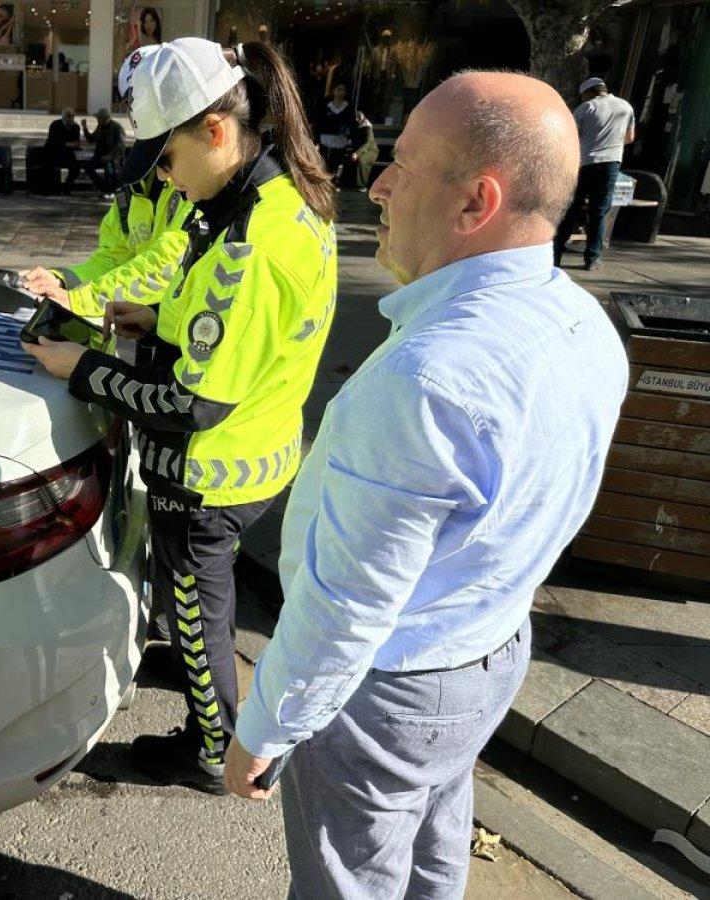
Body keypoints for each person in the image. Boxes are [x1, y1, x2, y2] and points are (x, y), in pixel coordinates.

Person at [224, 71, 628, 899]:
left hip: (391, 688)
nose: (375, 183)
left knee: (351, 881)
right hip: (489, 648)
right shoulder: (587, 325)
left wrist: (264, 726)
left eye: (402, 163)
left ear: (477, 202)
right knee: (434, 840)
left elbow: (347, 605)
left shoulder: (425, 378)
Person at [24, 37, 338, 795]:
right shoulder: (269, 202)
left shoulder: (248, 244)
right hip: (256, 448)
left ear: (216, 132)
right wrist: (153, 320)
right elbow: (229, 336)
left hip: (209, 474)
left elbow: (191, 404)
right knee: (201, 600)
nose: (164, 179)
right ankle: (200, 673)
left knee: (196, 608)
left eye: (166, 161)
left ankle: (209, 747)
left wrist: (83, 368)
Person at [21, 47, 192, 317]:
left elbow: (171, 262)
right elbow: (113, 257)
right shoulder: (136, 184)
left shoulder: (200, 186)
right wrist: (63, 280)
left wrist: (81, 300)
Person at [554, 76, 635, 270]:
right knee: (599, 212)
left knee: (571, 210)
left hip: (584, 163)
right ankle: (593, 258)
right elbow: (630, 137)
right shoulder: (626, 107)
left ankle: (556, 254)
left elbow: (569, 137)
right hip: (611, 164)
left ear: (588, 93)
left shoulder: (586, 108)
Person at [82, 107, 126, 197]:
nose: (97, 120)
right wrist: (85, 128)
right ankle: (104, 188)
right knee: (87, 167)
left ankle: (109, 190)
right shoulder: (100, 127)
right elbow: (92, 139)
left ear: (105, 118)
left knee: (109, 170)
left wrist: (110, 156)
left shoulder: (117, 127)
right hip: (99, 156)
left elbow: (120, 145)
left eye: (99, 118)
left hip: (112, 157)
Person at [317, 82, 352, 182]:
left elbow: (351, 124)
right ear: (334, 91)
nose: (341, 92)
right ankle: (322, 180)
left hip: (340, 139)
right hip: (325, 138)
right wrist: (317, 140)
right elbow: (320, 122)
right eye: (339, 89)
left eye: (343, 90)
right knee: (323, 160)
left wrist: (349, 138)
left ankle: (332, 181)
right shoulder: (326, 106)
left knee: (336, 161)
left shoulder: (348, 107)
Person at [45, 106, 82, 193]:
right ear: (63, 118)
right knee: (51, 162)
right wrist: (66, 144)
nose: (70, 120)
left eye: (72, 118)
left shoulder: (76, 126)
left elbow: (76, 141)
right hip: (55, 152)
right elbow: (52, 141)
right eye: (68, 118)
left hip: (70, 153)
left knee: (76, 166)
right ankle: (54, 187)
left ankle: (67, 187)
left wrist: (75, 145)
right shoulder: (55, 125)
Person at [351, 108, 379, 190]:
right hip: (360, 149)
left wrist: (357, 153)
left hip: (371, 150)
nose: (357, 120)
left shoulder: (368, 128)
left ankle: (362, 185)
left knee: (362, 161)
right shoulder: (356, 126)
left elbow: (367, 143)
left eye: (358, 118)